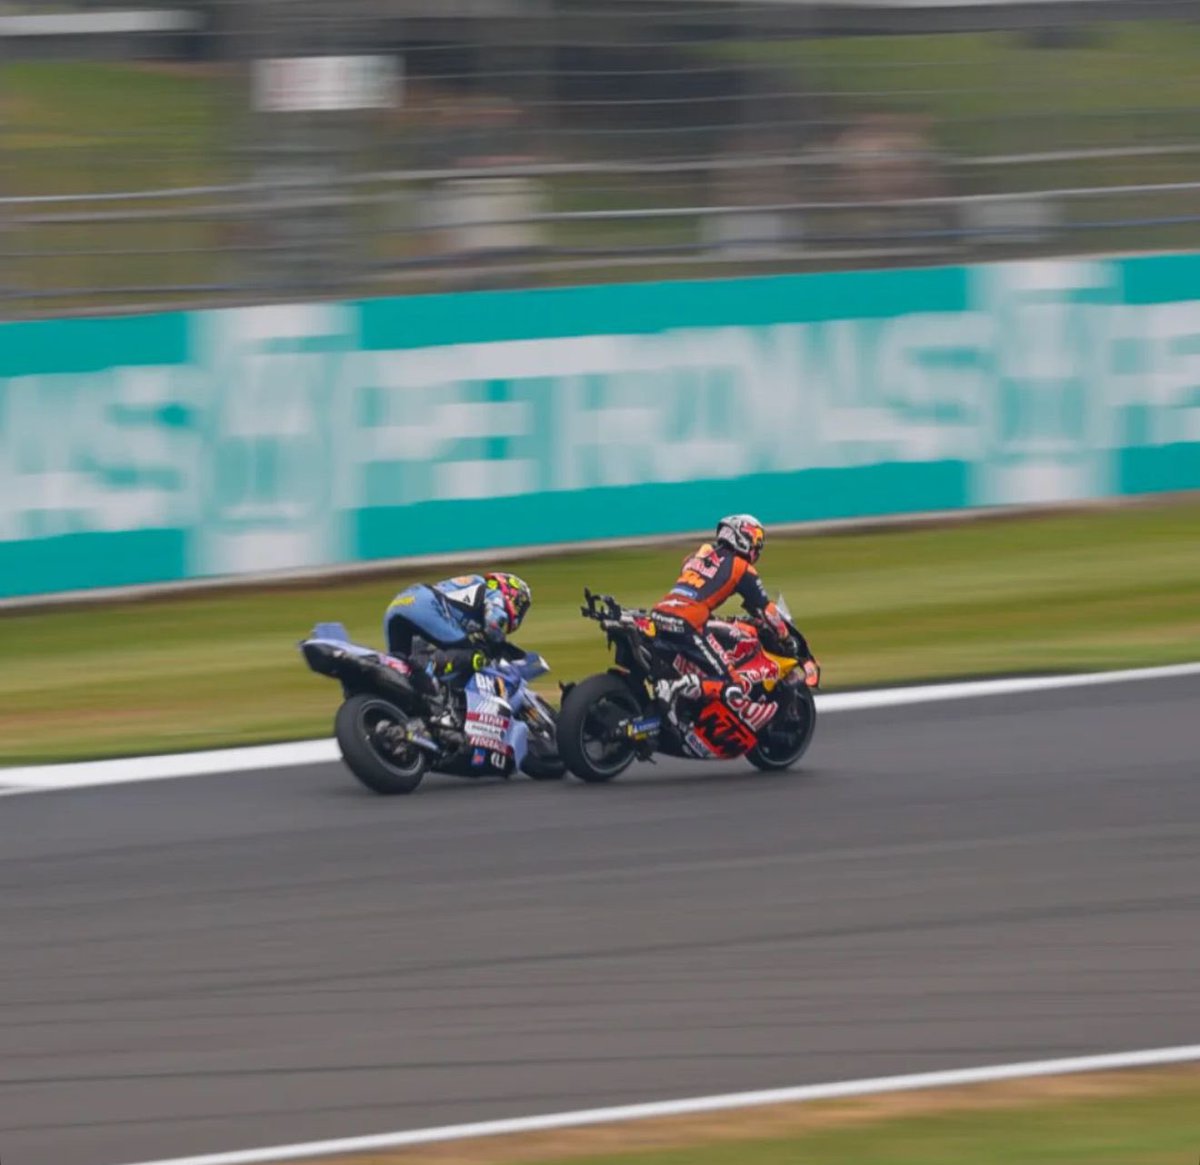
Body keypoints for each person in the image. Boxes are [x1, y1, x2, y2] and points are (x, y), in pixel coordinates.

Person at [651, 514, 797, 732]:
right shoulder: (742, 568)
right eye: (755, 541)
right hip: (687, 622)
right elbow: (766, 610)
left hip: (659, 614)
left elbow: (690, 574)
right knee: (733, 683)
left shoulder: (700, 554)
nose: (756, 549)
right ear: (744, 537)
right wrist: (785, 636)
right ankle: (676, 687)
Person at [384, 572, 533, 719]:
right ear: (511, 593)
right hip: (424, 603)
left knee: (405, 672)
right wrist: (499, 646)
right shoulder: (493, 592)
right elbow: (495, 622)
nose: (520, 612)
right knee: (474, 653)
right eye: (521, 606)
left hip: (398, 605)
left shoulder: (466, 592)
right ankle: (435, 680)